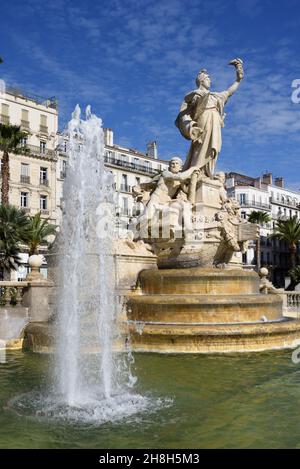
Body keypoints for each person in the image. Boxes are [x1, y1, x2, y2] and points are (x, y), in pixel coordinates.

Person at [175, 59, 244, 177]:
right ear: (201, 81)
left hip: (215, 120)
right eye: (207, 78)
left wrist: (238, 79)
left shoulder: (215, 96)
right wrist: (190, 126)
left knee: (214, 148)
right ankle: (197, 171)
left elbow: (229, 92)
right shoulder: (195, 95)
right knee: (201, 146)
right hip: (203, 119)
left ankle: (208, 172)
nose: (210, 81)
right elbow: (185, 108)